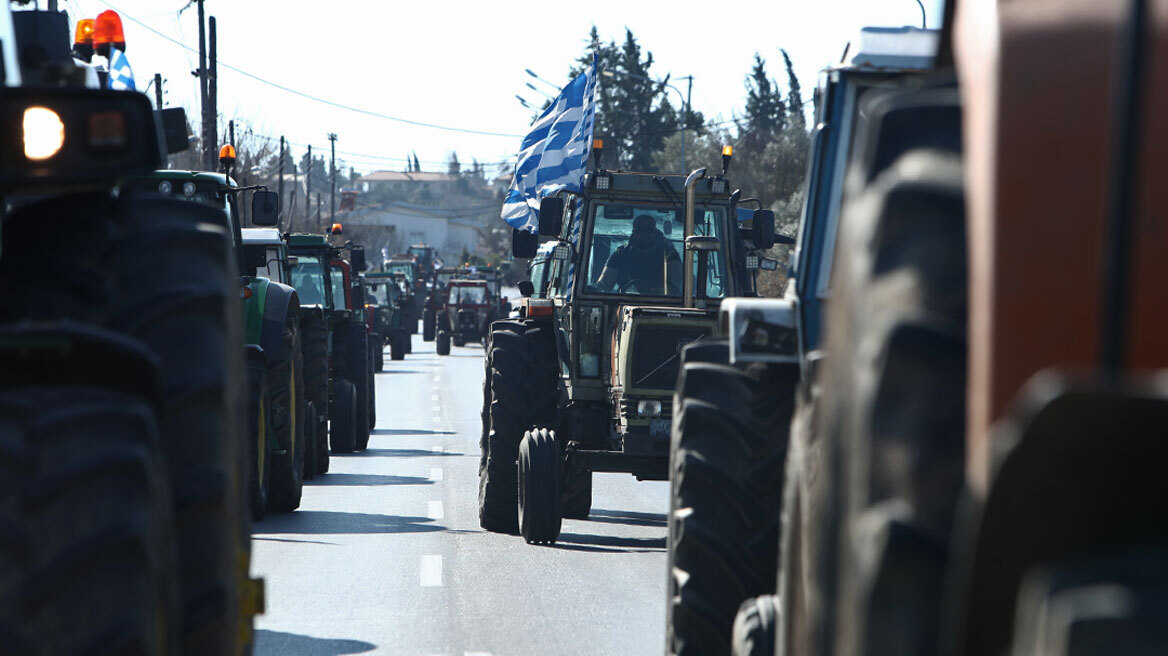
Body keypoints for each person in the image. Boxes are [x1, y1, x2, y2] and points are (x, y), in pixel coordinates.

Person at [595, 213, 682, 294]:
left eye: (648, 231)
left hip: (662, 306)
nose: (643, 235)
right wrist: (595, 291)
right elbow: (604, 285)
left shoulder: (669, 255)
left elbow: (676, 288)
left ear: (654, 231)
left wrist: (655, 291)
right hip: (624, 304)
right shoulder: (620, 255)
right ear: (634, 231)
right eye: (639, 230)